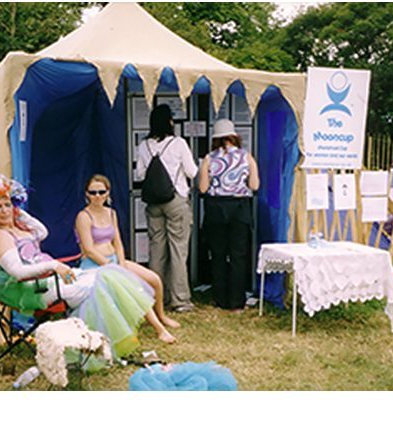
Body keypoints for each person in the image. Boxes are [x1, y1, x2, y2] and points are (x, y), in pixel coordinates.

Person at [0, 174, 175, 363]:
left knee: (108, 275)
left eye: (8, 205)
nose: (4, 211)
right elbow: (17, 272)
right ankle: (92, 345)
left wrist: (19, 213)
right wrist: (54, 265)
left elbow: (42, 232)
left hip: (50, 278)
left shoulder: (18, 228)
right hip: (31, 288)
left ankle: (99, 343)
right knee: (100, 284)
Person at [75, 174, 180, 336]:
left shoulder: (111, 213)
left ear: (108, 193)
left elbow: (117, 241)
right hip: (95, 265)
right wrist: (112, 266)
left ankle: (162, 315)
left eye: (101, 192)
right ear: (87, 194)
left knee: (154, 280)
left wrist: (121, 262)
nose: (97, 196)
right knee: (134, 288)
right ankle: (159, 329)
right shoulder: (83, 216)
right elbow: (89, 249)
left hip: (114, 260)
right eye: (93, 192)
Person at [136, 104, 198, 313]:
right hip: (175, 200)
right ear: (170, 122)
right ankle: (180, 300)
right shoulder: (178, 143)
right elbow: (191, 172)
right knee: (178, 250)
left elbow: (140, 175)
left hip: (153, 203)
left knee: (157, 250)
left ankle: (153, 298)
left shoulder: (143, 146)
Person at [199, 119, 260, 311]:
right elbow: (254, 185)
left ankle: (220, 299)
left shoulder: (209, 158)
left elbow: (202, 188)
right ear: (234, 137)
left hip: (216, 208)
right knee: (238, 255)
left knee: (217, 255)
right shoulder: (247, 156)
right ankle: (236, 301)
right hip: (240, 207)